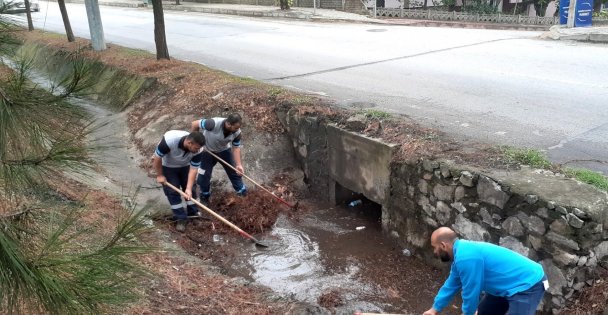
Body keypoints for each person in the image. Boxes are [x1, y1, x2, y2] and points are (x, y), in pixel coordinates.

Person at [423, 227, 547, 315]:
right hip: (503, 288)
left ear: (444, 245)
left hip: (528, 284)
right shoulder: (460, 255)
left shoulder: (466, 257)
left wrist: (468, 313)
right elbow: (451, 285)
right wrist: (435, 309)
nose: (434, 252)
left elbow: (471, 290)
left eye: (435, 247)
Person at [153, 130, 205, 232]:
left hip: (185, 166)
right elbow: (157, 158)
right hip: (168, 166)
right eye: (195, 148)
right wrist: (160, 175)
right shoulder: (169, 141)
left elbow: (194, 169)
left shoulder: (199, 150)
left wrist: (188, 188)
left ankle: (193, 213)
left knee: (191, 190)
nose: (197, 150)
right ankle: (180, 218)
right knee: (172, 191)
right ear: (189, 143)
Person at [190, 113, 246, 204]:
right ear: (228, 124)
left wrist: (239, 164)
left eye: (238, 128)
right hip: (207, 151)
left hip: (224, 150)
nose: (237, 130)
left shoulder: (237, 132)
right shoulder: (213, 123)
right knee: (203, 175)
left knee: (234, 171)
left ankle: (242, 192)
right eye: (235, 127)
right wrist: (195, 143)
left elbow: (236, 148)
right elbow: (194, 124)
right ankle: (205, 196)